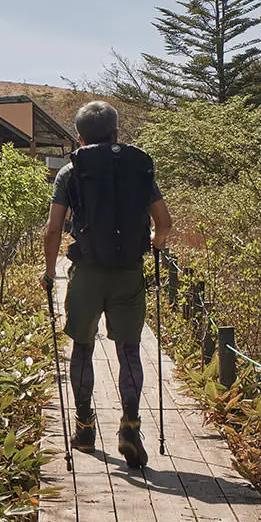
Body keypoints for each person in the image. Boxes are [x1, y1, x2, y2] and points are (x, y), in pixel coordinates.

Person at [42, 100, 171, 468]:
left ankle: (84, 427)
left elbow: (53, 229)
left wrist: (50, 273)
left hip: (87, 274)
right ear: (116, 132)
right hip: (129, 272)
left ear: (79, 137)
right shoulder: (138, 168)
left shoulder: (72, 171)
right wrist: (154, 247)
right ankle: (130, 423)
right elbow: (164, 222)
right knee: (129, 350)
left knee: (81, 348)